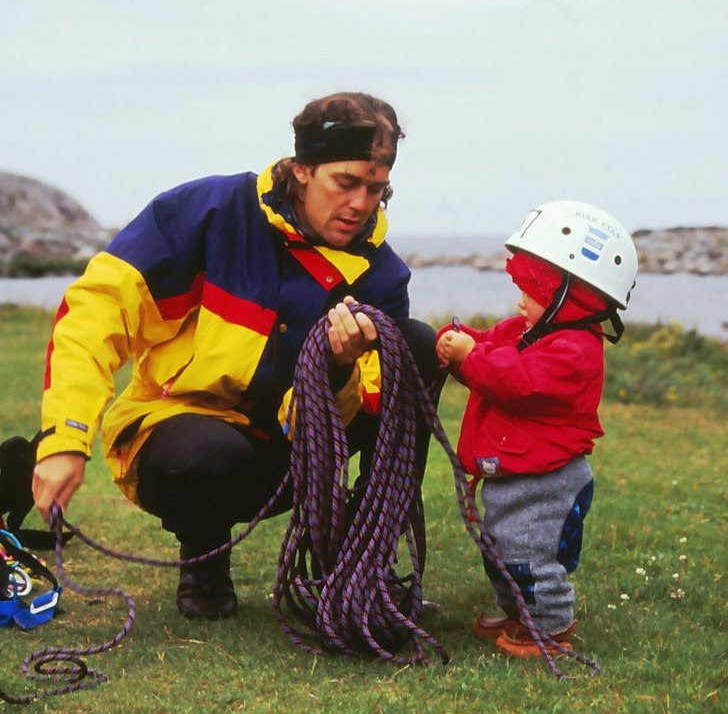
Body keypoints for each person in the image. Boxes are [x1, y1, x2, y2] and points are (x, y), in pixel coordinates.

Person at [32, 92, 439, 621]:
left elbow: (340, 417)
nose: (361, 204)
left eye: (376, 188)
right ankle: (205, 558)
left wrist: (336, 369)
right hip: (186, 438)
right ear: (302, 170)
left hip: (298, 449)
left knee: (417, 344)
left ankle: (361, 552)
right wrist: (64, 439)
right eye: (346, 183)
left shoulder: (382, 275)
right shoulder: (206, 212)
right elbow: (94, 314)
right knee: (207, 455)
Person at [436, 200, 638, 658]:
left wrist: (470, 356)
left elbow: (516, 380)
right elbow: (491, 349)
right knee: (501, 550)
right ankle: (519, 614)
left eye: (531, 291)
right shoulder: (529, 330)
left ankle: (548, 624)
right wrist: (459, 344)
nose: (521, 301)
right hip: (515, 474)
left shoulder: (574, 351)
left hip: (546, 481)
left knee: (529, 554)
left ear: (571, 297)